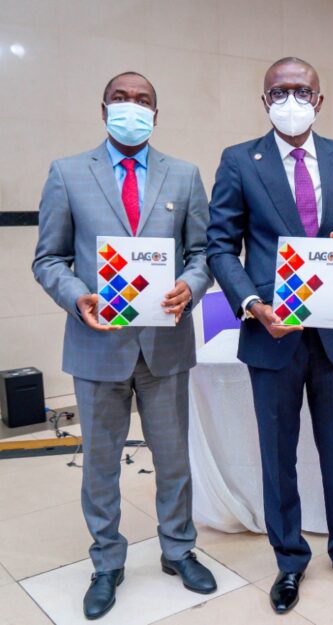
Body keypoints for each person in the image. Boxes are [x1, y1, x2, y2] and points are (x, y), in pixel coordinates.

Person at [32, 72, 216, 620]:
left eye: (143, 101)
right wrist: (77, 296)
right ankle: (107, 562)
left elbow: (202, 252)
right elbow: (48, 259)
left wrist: (193, 284)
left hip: (165, 346)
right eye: (121, 99)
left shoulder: (184, 176)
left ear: (156, 115)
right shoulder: (67, 173)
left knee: (175, 462)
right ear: (103, 107)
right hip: (97, 345)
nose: (131, 107)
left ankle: (178, 549)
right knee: (101, 466)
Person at [206, 57, 333, 615]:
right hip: (271, 332)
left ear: (320, 100)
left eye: (301, 90)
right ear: (264, 101)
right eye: (279, 92)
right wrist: (252, 304)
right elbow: (219, 246)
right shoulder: (239, 160)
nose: (291, 100)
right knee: (277, 454)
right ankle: (289, 560)